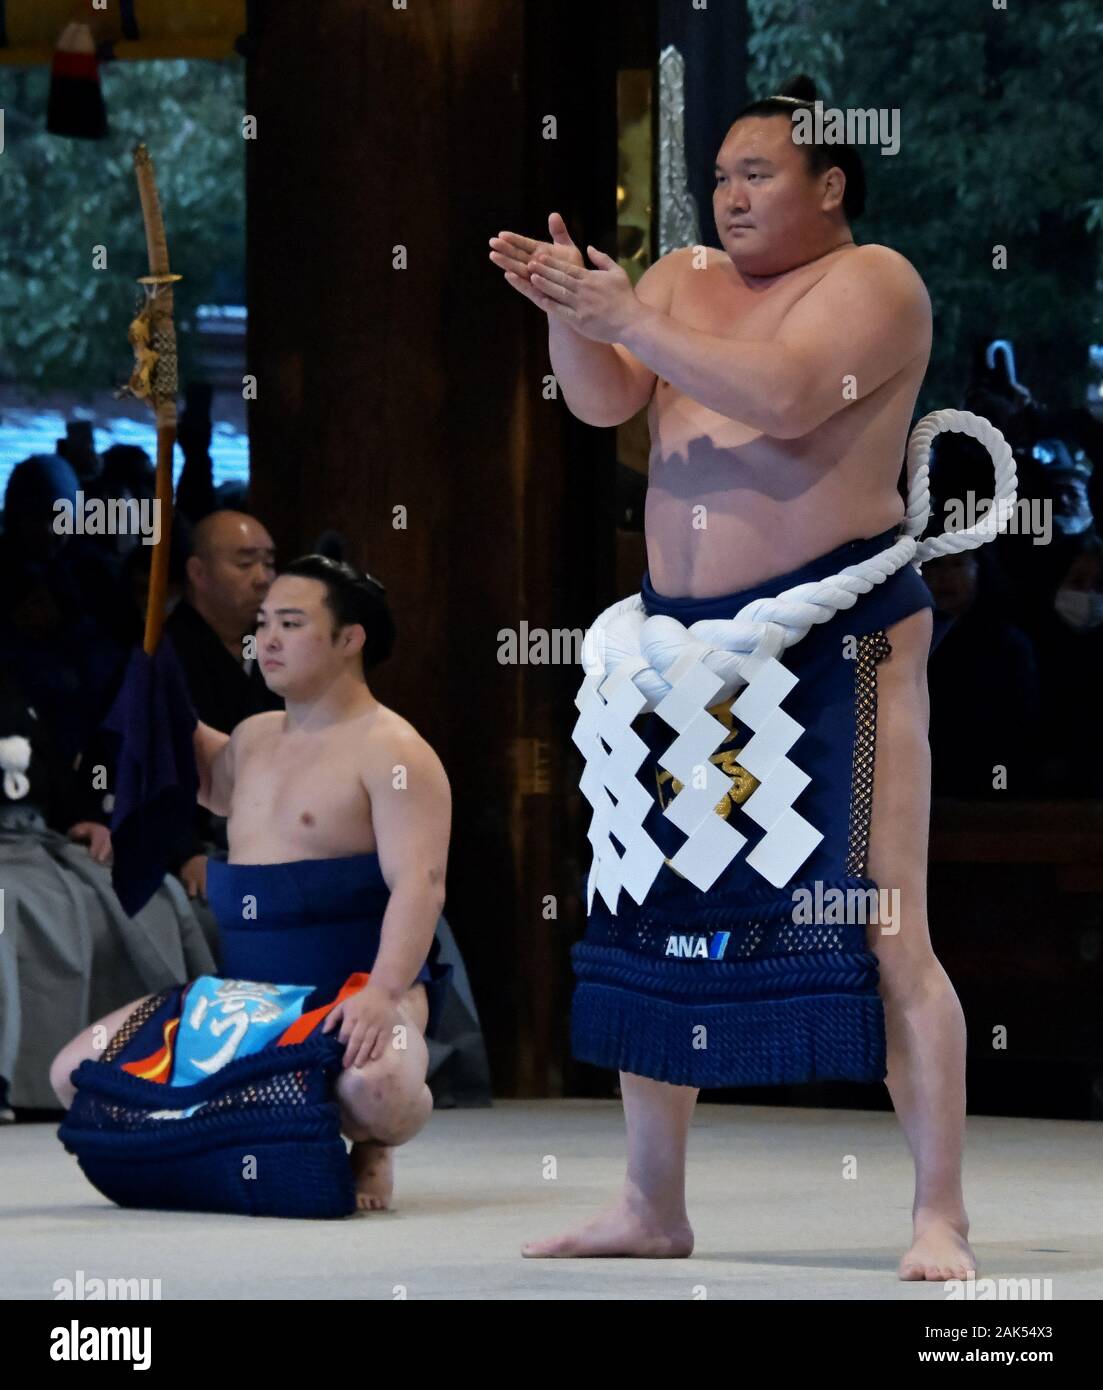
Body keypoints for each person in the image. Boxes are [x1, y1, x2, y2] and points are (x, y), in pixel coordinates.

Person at [491, 74, 977, 1279]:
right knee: (654, 914)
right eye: (717, 177)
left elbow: (788, 394)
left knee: (880, 922)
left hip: (838, 632)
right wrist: (574, 310)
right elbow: (608, 400)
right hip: (677, 650)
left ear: (829, 185)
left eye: (756, 174)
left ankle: (937, 1216)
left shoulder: (874, 284)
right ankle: (650, 1204)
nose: (730, 196)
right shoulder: (684, 283)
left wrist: (630, 318)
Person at [50, 555, 452, 1211]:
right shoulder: (255, 736)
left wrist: (382, 993)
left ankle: (372, 1148)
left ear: (349, 639)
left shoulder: (396, 752)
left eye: (290, 624)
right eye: (263, 623)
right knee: (75, 1078)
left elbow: (420, 886)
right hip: (241, 998)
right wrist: (153, 684)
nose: (266, 639)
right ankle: (232, 1150)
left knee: (375, 1090)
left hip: (353, 984)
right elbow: (198, 777)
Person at [163, 510, 283, 901]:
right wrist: (184, 853)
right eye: (246, 563)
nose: (263, 578)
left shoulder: (281, 650)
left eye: (269, 563)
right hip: (200, 837)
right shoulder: (161, 657)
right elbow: (142, 765)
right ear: (198, 573)